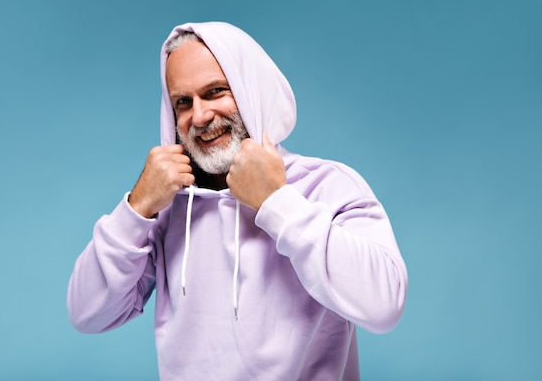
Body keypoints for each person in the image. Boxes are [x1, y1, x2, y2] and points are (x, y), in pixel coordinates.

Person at [67, 21, 408, 380]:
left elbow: (384, 306)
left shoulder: (326, 186)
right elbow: (88, 314)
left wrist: (277, 201)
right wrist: (136, 209)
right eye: (183, 102)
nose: (199, 116)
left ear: (251, 91)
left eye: (215, 92)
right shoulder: (167, 208)